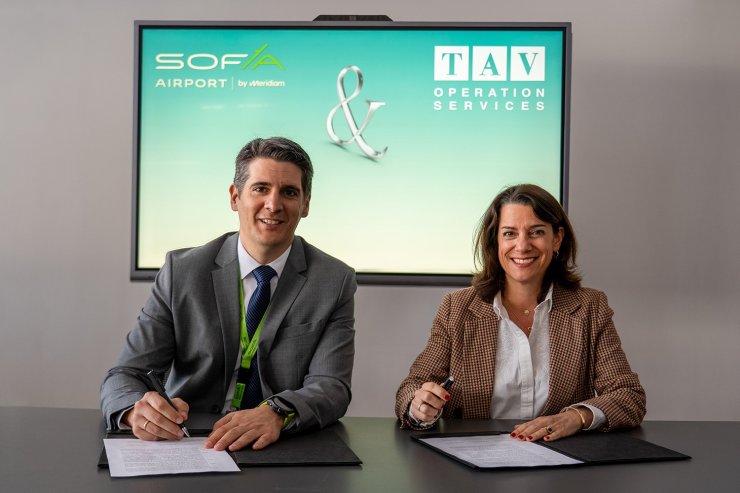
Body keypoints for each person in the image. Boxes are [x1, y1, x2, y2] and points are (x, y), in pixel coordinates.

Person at [101, 137, 356, 452]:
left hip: (277, 442)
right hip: (190, 438)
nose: (274, 205)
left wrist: (277, 413)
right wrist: (133, 412)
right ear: (235, 197)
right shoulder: (182, 271)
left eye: (289, 192)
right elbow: (125, 374)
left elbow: (331, 387)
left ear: (305, 205)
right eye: (260, 189)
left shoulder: (333, 280)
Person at [395, 184, 645, 442]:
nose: (522, 245)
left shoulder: (590, 307)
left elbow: (628, 395)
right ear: (495, 241)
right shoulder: (457, 308)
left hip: (560, 456)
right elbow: (411, 387)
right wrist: (420, 406)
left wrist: (575, 417)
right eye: (509, 233)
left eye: (536, 232)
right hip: (475, 456)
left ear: (557, 239)